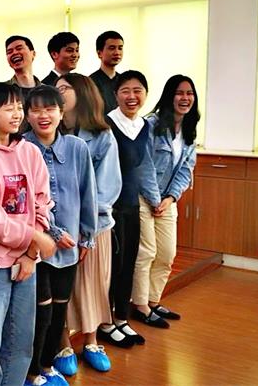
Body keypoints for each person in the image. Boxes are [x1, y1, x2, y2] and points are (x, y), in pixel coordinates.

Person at [0, 83, 57, 386]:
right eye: (8, 107)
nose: (17, 113)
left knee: (22, 340)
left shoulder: (29, 151)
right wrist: (35, 238)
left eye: (19, 107)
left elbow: (42, 202)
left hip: (26, 260)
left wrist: (31, 253)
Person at [23, 85, 97, 386]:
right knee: (39, 312)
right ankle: (30, 371)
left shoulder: (77, 148)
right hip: (34, 246)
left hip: (70, 247)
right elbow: (25, 200)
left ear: (61, 112)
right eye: (36, 109)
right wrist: (53, 231)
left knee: (59, 308)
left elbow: (88, 193)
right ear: (27, 115)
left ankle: (47, 365)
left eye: (50, 108)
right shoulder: (22, 148)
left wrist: (87, 236)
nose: (44, 115)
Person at [57, 74, 124, 371]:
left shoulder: (102, 135)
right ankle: (62, 345)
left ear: (82, 93)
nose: (58, 93)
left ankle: (91, 341)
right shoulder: (51, 132)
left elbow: (106, 189)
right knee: (63, 289)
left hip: (93, 227)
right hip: (59, 229)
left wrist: (85, 228)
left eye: (64, 88)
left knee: (93, 286)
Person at [131, 74, 199, 328]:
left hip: (167, 200)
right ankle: (140, 305)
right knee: (147, 252)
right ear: (169, 96)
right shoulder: (151, 124)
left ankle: (153, 300)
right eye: (179, 93)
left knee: (167, 253)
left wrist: (170, 198)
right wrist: (154, 199)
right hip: (143, 197)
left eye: (189, 93)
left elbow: (186, 170)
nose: (185, 98)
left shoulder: (189, 130)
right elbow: (143, 165)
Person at [101, 70, 162, 347]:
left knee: (128, 264)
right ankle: (105, 321)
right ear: (115, 95)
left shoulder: (144, 126)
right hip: (110, 207)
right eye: (125, 90)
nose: (132, 96)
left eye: (138, 90)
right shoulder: (106, 124)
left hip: (131, 204)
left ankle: (121, 318)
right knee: (111, 267)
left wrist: (154, 198)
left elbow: (145, 165)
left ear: (145, 94)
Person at [89, 31, 124, 113]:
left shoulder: (124, 81)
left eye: (120, 48)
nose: (117, 53)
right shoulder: (90, 82)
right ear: (99, 53)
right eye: (112, 48)